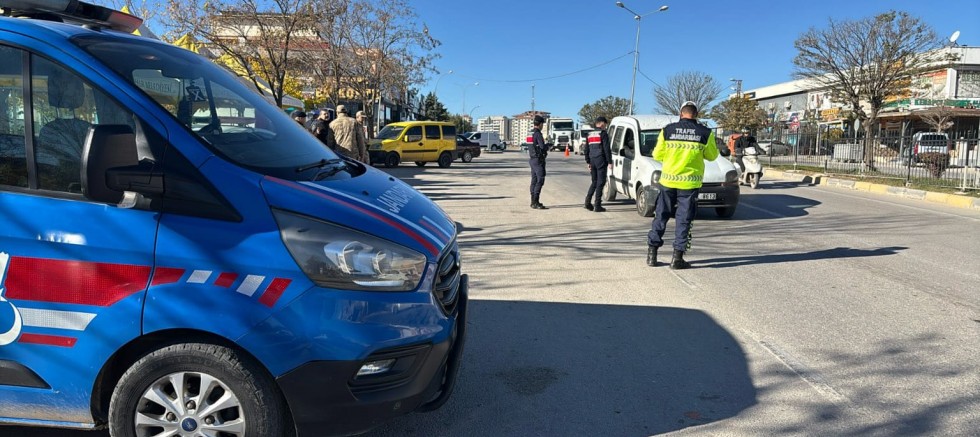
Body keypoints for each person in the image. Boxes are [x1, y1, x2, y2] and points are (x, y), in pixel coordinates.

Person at [647, 101, 719, 269]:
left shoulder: (667, 130)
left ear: (681, 113)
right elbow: (712, 156)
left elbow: (657, 154)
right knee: (684, 220)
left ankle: (652, 254)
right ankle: (677, 259)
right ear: (696, 114)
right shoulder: (705, 133)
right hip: (690, 183)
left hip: (667, 181)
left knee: (661, 215)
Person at [584, 116, 612, 212]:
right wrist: (610, 161)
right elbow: (606, 149)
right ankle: (597, 205)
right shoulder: (603, 134)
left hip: (592, 160)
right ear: (601, 124)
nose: (605, 127)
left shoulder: (589, 134)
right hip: (601, 160)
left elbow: (586, 149)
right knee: (600, 183)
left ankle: (587, 202)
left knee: (594, 182)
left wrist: (588, 161)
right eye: (605, 125)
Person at [528, 115, 548, 209]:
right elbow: (542, 147)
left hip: (532, 159)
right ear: (540, 124)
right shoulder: (538, 134)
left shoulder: (530, 133)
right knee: (540, 180)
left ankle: (533, 201)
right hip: (538, 160)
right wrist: (548, 146)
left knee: (534, 180)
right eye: (542, 124)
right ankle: (535, 201)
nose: (542, 126)